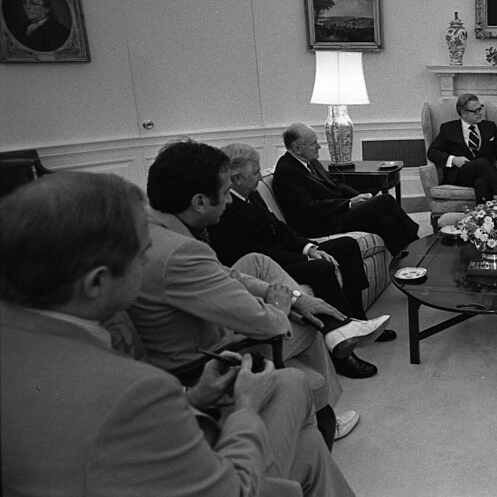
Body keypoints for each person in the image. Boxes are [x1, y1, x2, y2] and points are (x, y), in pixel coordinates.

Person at [0, 172, 354, 496]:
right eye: (141, 256)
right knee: (291, 385)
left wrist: (193, 397)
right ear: (96, 282)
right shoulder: (136, 391)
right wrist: (246, 407)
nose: (146, 263)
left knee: (307, 447)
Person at [131, 139, 388, 444]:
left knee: (259, 264)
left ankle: (337, 332)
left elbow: (227, 273)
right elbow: (270, 325)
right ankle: (325, 411)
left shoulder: (153, 225)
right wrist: (283, 305)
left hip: (188, 330)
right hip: (207, 358)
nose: (229, 202)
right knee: (311, 325)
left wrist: (294, 297)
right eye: (226, 193)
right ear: (200, 202)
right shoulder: (181, 253)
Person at [210, 143, 396, 380]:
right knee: (321, 268)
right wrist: (305, 256)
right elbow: (253, 251)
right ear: (236, 178)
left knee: (347, 246)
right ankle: (342, 356)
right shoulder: (226, 209)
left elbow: (279, 228)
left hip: (284, 252)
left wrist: (309, 246)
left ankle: (358, 319)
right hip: (266, 265)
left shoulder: (250, 193)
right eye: (255, 172)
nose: (259, 177)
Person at [273, 123, 420, 256]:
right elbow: (310, 209)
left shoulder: (310, 161)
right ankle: (418, 242)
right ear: (297, 148)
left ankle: (409, 262)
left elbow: (335, 183)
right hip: (321, 224)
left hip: (336, 213)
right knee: (385, 200)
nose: (318, 147)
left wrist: (361, 197)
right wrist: (348, 203)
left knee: (386, 222)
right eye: (314, 144)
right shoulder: (287, 171)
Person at [426, 93, 497, 217]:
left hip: (485, 175)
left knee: (481, 182)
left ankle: (484, 221)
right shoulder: (448, 128)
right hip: (460, 174)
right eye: (476, 110)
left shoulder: (489, 127)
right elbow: (432, 152)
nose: (480, 113)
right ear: (463, 113)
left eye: (481, 108)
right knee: (482, 162)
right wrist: (453, 159)